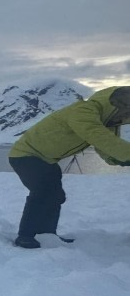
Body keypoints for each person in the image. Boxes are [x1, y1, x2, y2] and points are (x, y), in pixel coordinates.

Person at [8, 86, 130, 248]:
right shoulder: (83, 110)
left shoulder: (106, 123)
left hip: (46, 160)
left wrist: (118, 159)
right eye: (125, 112)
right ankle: (25, 236)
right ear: (115, 106)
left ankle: (47, 235)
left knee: (56, 195)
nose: (125, 117)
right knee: (42, 192)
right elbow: (95, 134)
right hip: (25, 155)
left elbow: (106, 148)